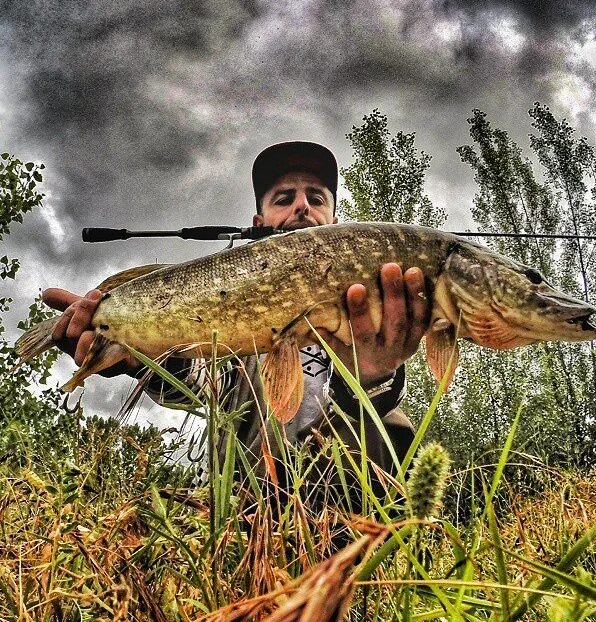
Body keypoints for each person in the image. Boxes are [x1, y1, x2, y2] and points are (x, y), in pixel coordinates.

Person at [43, 141, 432, 507]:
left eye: (316, 198)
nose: (301, 206)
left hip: (356, 516)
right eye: (284, 199)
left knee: (390, 420)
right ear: (258, 222)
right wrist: (151, 359)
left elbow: (385, 433)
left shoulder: (374, 303)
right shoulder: (232, 314)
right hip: (250, 516)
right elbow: (201, 381)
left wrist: (370, 380)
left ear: (336, 222)